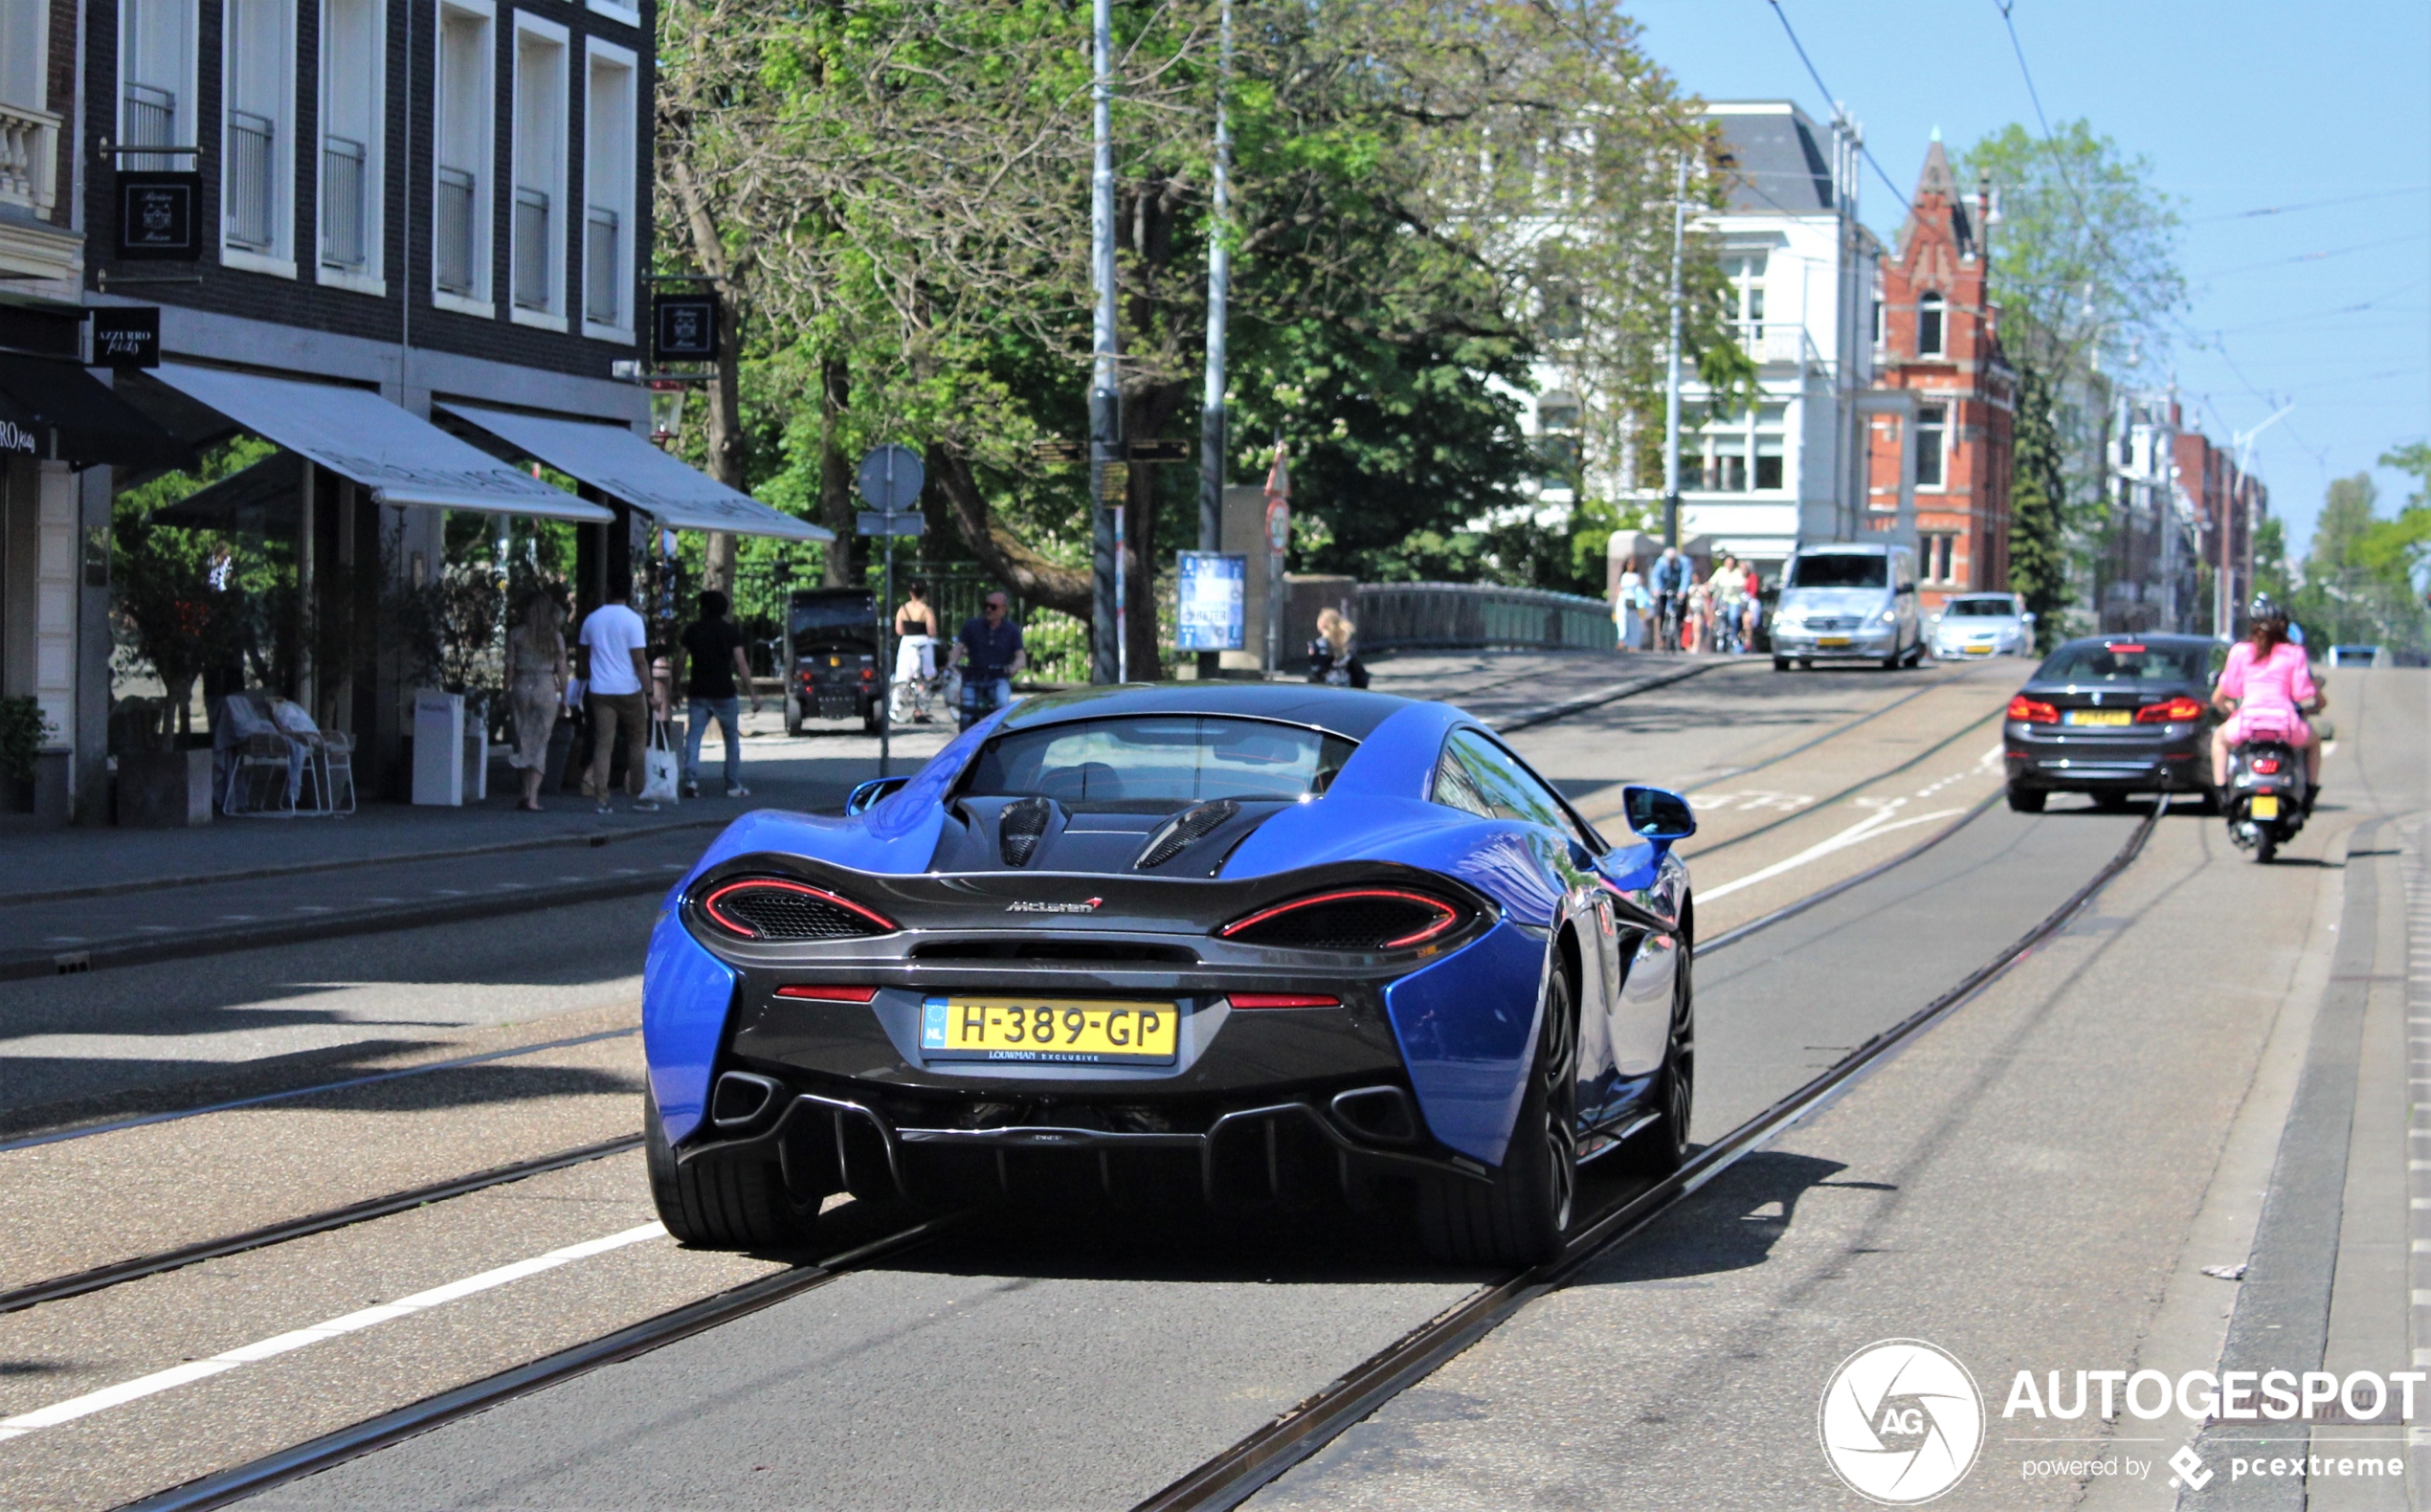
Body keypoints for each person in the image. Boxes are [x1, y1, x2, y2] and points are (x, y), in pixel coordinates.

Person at [2211, 594, 2326, 808]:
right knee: (2314, 743)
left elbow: (2230, 689)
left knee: (2219, 739)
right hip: (2285, 727)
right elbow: (2302, 693)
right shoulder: (2294, 653)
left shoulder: (2240, 651)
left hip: (2248, 725)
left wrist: (2229, 709)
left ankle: (2222, 792)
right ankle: (2309, 793)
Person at [579, 583, 655, 813]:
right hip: (629, 688)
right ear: (628, 594)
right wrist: (649, 691)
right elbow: (639, 661)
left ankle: (602, 798)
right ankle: (639, 793)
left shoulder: (591, 620)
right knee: (637, 742)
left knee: (603, 744)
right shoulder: (633, 620)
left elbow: (583, 656)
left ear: (607, 593)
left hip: (600, 689)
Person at [679, 589, 761, 800]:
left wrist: (674, 688)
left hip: (698, 690)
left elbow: (680, 660)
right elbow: (741, 664)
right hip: (724, 691)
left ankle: (690, 780)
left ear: (702, 608)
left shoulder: (692, 630)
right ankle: (732, 784)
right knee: (731, 739)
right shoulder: (730, 632)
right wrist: (752, 694)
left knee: (694, 737)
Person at [504, 590, 569, 812]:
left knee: (522, 740)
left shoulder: (517, 634)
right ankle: (532, 796)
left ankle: (524, 792)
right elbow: (561, 670)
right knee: (541, 741)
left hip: (522, 685)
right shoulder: (555, 637)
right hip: (544, 686)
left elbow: (509, 667)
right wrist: (565, 698)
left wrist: (506, 691)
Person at [957, 591, 1026, 729]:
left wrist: (1015, 667)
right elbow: (958, 648)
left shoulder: (1011, 630)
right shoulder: (971, 626)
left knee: (1002, 706)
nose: (988, 609)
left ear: (1003, 609)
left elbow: (1020, 656)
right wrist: (952, 664)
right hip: (973, 675)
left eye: (993, 607)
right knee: (967, 712)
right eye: (986, 605)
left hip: (999, 676)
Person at [1306, 608, 1370, 687]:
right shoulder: (1345, 645)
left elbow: (1316, 672)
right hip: (1346, 692)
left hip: (1325, 691)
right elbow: (1359, 674)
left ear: (1321, 624)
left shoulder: (1317, 645)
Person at [1649, 546, 1689, 651]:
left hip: (1678, 587)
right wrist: (1657, 589)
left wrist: (1682, 591)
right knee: (1660, 609)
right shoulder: (1661, 562)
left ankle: (1679, 627)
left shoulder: (1684, 562)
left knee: (1682, 606)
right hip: (1665, 587)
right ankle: (1662, 635)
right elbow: (1656, 576)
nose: (1670, 563)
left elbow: (1686, 577)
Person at [1707, 555, 1745, 654]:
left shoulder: (1737, 572)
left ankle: (1734, 637)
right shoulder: (1721, 571)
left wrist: (1734, 587)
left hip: (1733, 600)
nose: (1729, 565)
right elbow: (1712, 581)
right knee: (1712, 611)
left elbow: (1741, 583)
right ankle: (1712, 632)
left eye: (1731, 563)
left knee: (1733, 617)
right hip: (1721, 599)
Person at [1614, 567, 1646, 652]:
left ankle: (1632, 644)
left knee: (1634, 623)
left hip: (1635, 601)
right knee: (1622, 621)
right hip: (1623, 600)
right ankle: (1622, 641)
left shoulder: (1637, 576)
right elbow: (1619, 588)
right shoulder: (1624, 576)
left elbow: (1641, 589)